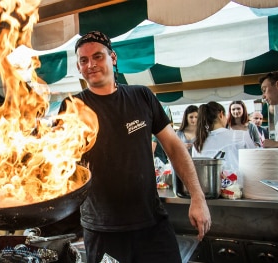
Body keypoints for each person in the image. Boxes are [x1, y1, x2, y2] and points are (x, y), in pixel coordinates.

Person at [58, 31, 211, 263]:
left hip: (151, 224)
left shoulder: (142, 96)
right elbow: (61, 160)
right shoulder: (72, 106)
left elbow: (173, 146)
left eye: (98, 57)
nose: (91, 64)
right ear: (79, 67)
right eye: (83, 60)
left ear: (113, 58)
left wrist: (197, 197)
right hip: (102, 229)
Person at [193, 101, 256, 171]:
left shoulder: (198, 143)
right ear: (221, 114)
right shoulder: (241, 135)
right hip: (238, 181)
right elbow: (255, 161)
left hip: (207, 181)